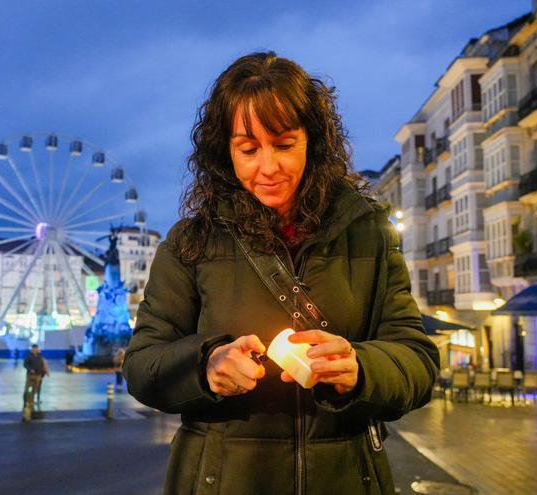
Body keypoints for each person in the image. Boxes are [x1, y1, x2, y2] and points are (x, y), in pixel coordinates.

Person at [123, 52, 439, 494]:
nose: (268, 167)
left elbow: (418, 361)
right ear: (224, 150)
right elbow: (141, 365)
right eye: (249, 149)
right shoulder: (190, 243)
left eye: (285, 145)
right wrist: (205, 365)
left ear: (313, 141)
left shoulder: (368, 233)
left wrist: (361, 368)